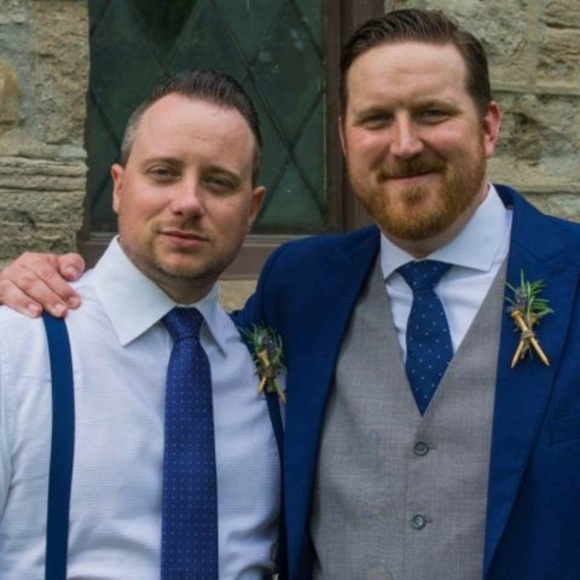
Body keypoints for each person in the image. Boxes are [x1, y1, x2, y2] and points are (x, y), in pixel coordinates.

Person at [2, 8, 580, 580]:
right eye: (376, 119)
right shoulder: (302, 287)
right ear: (345, 139)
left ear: (489, 125)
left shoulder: (570, 273)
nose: (404, 144)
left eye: (432, 113)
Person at [0, 70, 282, 579]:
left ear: (252, 208)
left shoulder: (270, 377)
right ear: (118, 186)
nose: (188, 202)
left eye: (218, 182)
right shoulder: (18, 347)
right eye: (164, 172)